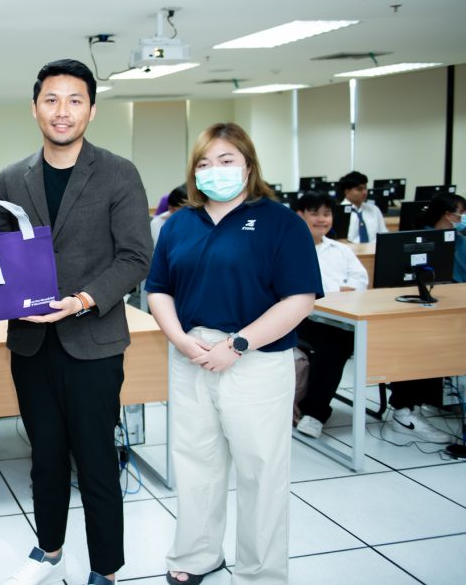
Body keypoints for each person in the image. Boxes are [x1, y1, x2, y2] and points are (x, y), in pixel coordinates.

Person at [0, 59, 152, 585]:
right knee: (45, 456)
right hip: (31, 344)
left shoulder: (118, 172)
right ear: (35, 107)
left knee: (97, 459)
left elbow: (135, 256)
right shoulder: (12, 177)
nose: (62, 111)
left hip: (93, 340)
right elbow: (0, 258)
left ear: (91, 110)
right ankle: (50, 550)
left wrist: (83, 300)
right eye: (52, 100)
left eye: (75, 100)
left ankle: (105, 568)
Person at [146, 122, 321, 585]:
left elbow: (300, 299)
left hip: (255, 357)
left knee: (261, 470)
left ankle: (261, 573)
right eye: (204, 163)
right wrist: (179, 338)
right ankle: (197, 555)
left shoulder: (281, 222)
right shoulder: (180, 223)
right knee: (195, 462)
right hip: (191, 354)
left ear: (248, 166)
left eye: (226, 160)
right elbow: (158, 289)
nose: (214, 170)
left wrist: (238, 344)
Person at [381, 192, 466, 444]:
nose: (463, 218)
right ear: (448, 215)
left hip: (454, 307)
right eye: (461, 213)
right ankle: (406, 409)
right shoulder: (420, 240)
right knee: (420, 341)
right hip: (425, 311)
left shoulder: (460, 240)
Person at [291, 191, 369, 439]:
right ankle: (314, 413)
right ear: (299, 215)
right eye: (315, 213)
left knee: (347, 338)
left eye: (327, 214)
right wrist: (337, 289)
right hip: (300, 319)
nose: (322, 219)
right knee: (335, 345)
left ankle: (408, 407)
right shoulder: (287, 248)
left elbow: (360, 280)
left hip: (338, 318)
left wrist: (343, 289)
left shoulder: (340, 250)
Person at [338, 170, 386, 243]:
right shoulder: (338, 212)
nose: (364, 192)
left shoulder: (374, 209)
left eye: (365, 188)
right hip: (350, 249)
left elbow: (383, 233)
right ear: (347, 192)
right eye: (359, 189)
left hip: (374, 249)